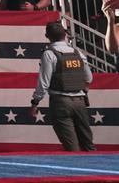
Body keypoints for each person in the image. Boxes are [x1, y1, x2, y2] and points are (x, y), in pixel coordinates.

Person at [30, 21, 95, 151]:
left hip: (60, 102)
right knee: (88, 145)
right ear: (65, 34)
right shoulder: (78, 53)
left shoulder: (49, 54)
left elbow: (44, 82)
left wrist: (35, 102)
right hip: (80, 102)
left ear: (46, 36)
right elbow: (89, 78)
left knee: (72, 147)